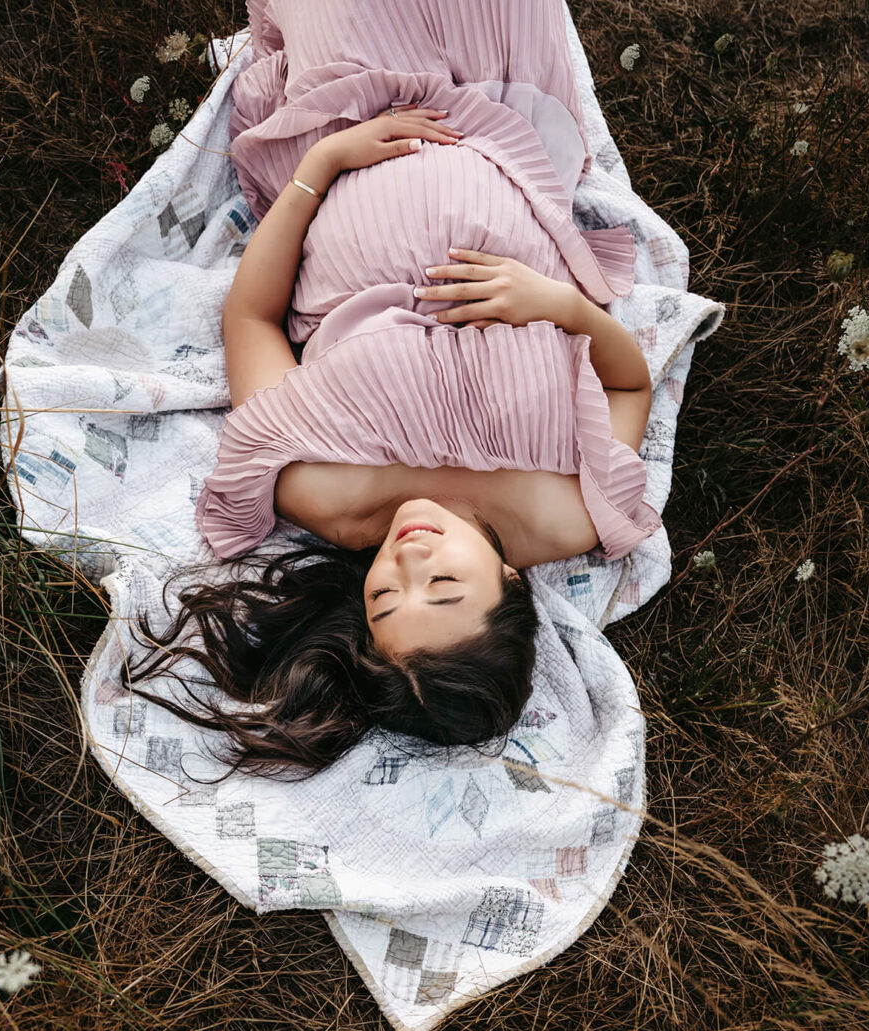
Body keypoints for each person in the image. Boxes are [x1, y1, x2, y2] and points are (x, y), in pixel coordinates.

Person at [125, 0, 661, 780]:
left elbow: (251, 314)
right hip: (508, 125)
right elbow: (629, 378)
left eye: (384, 599)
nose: (410, 559)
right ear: (512, 585)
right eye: (443, 584)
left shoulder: (319, 491)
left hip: (356, 113)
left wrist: (325, 163)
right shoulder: (573, 512)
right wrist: (558, 306)